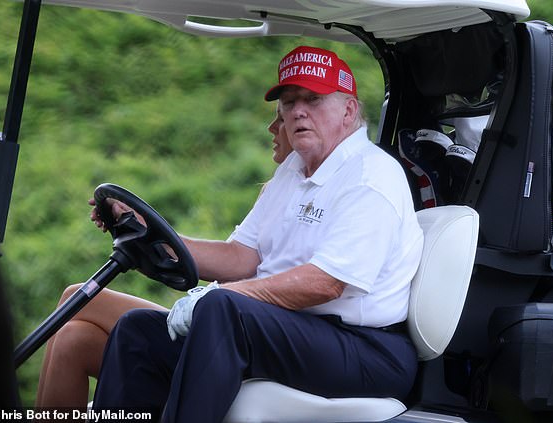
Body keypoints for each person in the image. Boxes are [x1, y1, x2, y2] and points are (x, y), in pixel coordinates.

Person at [91, 45, 424, 423]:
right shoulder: (295, 170)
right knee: (137, 333)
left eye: (313, 100)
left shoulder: (370, 176)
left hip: (368, 349)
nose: (297, 111)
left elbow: (326, 284)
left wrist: (218, 295)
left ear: (348, 111)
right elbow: (241, 257)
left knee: (223, 308)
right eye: (289, 101)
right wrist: (152, 233)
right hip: (299, 330)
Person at [34, 108, 291, 410]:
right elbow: (232, 259)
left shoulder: (325, 197)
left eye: (282, 119)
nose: (272, 127)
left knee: (75, 298)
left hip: (235, 333)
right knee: (73, 340)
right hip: (214, 315)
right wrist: (139, 229)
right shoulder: (279, 189)